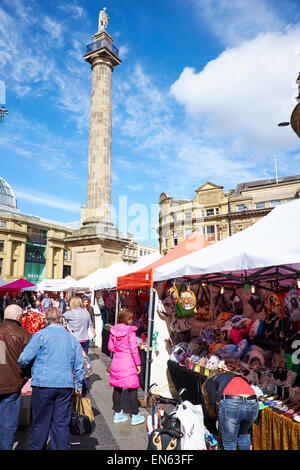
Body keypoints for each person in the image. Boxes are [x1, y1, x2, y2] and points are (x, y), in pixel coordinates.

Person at [18, 306, 84, 450]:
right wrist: (78, 386)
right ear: (60, 319)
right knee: (60, 423)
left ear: (46, 320)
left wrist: (29, 369)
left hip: (43, 384)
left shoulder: (40, 335)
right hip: (65, 385)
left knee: (41, 422)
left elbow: (24, 359)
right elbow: (79, 365)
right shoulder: (71, 338)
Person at [201, 370, 259, 450]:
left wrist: (217, 428)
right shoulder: (233, 376)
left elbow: (213, 404)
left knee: (229, 443)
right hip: (253, 402)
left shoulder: (210, 381)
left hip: (233, 402)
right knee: (243, 435)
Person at [0, 304, 32, 450]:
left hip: (8, 382)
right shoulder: (23, 334)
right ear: (19, 317)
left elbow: (2, 358)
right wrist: (26, 377)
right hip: (12, 384)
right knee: (7, 425)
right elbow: (30, 361)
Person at [108, 309, 145, 426]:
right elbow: (134, 349)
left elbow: (110, 347)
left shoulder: (113, 331)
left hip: (117, 361)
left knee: (117, 388)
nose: (131, 320)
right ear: (125, 319)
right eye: (130, 318)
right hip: (128, 361)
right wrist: (138, 363)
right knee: (132, 388)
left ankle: (118, 413)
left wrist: (119, 351)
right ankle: (135, 415)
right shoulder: (130, 332)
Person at [63, 296, 96, 396]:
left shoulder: (70, 313)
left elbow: (60, 317)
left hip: (74, 340)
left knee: (73, 365)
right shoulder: (85, 312)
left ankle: (74, 387)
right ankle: (84, 386)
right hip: (85, 339)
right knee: (83, 363)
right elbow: (90, 324)